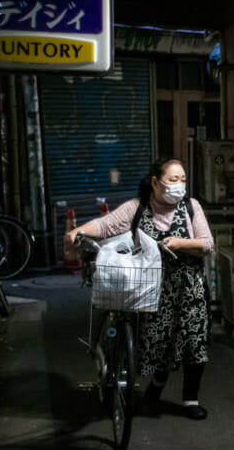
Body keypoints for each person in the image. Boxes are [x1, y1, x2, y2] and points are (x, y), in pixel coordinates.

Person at [65, 157, 214, 419]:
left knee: (195, 342)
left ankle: (191, 398)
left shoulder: (192, 207)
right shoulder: (137, 209)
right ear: (156, 183)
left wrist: (180, 244)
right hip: (149, 290)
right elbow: (105, 225)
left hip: (189, 289)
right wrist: (78, 230)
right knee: (159, 342)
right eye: (173, 180)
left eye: (183, 180)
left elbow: (207, 244)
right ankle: (158, 381)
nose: (179, 186)